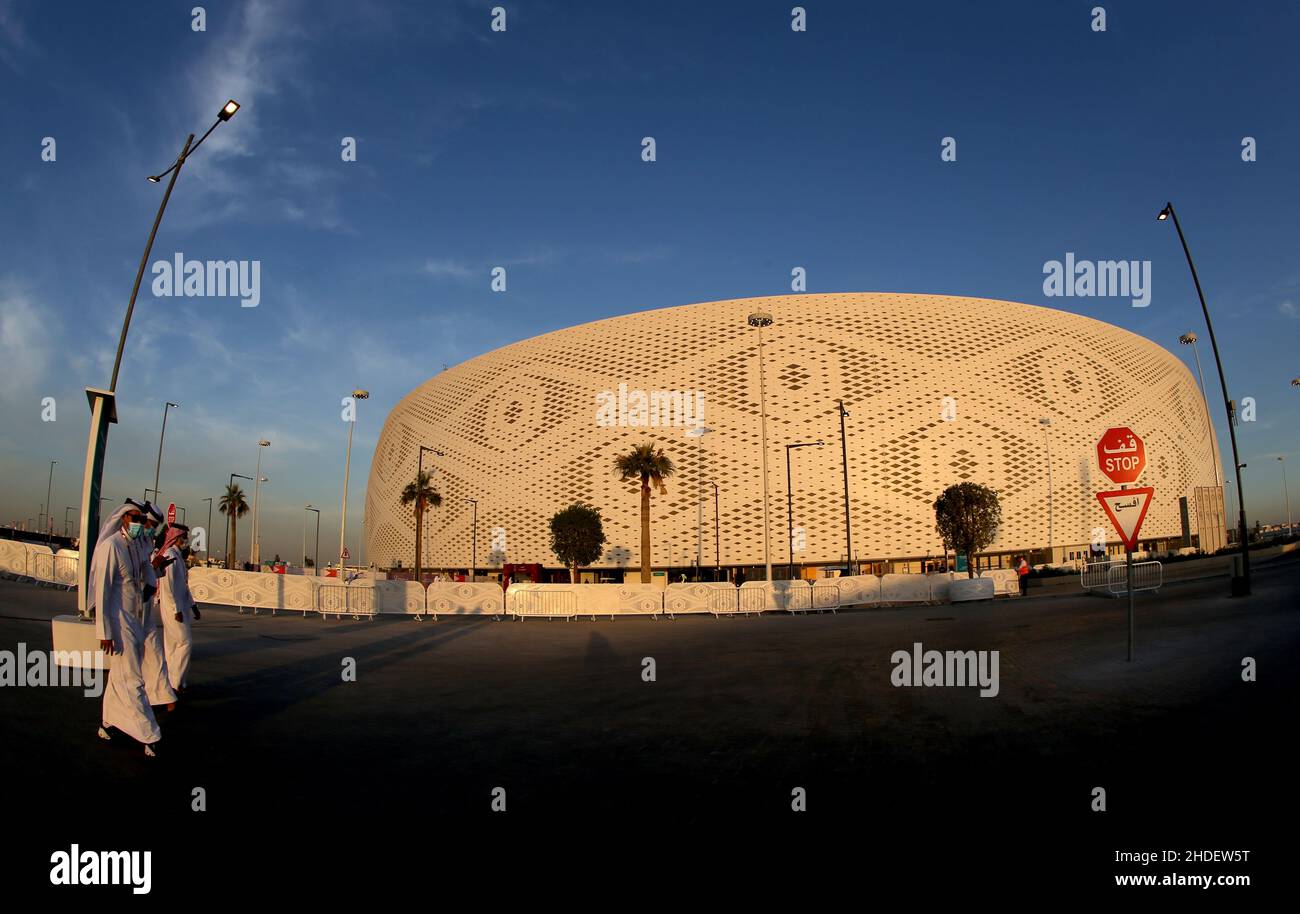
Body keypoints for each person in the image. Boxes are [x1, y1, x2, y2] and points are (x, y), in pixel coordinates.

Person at [91, 501, 161, 756]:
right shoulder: (112, 547)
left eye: (143, 520)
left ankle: (108, 722)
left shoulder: (134, 546)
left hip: (135, 617)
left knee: (120, 675)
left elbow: (145, 567)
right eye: (136, 518)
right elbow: (103, 592)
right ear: (123, 517)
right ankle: (150, 734)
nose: (140, 524)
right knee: (133, 677)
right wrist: (105, 632)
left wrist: (152, 580)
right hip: (117, 620)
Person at [137, 503, 177, 710]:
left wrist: (158, 569)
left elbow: (146, 573)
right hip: (129, 610)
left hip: (144, 607)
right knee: (129, 664)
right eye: (150, 524)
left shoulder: (145, 543)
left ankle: (162, 695)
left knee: (154, 652)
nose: (151, 528)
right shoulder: (120, 544)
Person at [157, 523, 196, 693]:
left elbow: (183, 585)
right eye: (184, 538)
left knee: (173, 646)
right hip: (173, 608)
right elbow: (168, 585)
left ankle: (174, 682)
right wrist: (175, 610)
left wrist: (193, 606)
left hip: (182, 607)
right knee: (185, 642)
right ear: (177, 538)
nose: (186, 541)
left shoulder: (178, 556)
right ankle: (175, 681)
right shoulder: (169, 555)